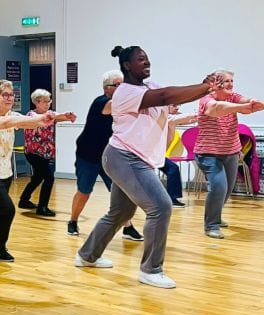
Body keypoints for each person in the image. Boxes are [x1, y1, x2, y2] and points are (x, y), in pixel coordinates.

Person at [75, 45, 224, 289]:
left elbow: (170, 96)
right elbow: (166, 97)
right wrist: (205, 86)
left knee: (120, 213)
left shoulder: (150, 86)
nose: (146, 62)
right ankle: (151, 270)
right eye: (140, 59)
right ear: (127, 66)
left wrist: (203, 87)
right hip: (125, 157)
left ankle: (86, 255)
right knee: (161, 207)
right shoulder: (124, 93)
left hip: (134, 158)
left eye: (147, 59)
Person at [0, 80, 55, 262]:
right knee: (7, 210)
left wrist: (57, 117)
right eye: (5, 95)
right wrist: (35, 119)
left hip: (5, 172)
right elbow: (8, 122)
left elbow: (26, 123)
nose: (10, 98)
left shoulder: (11, 114)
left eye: (11, 95)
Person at [67, 70, 144, 240]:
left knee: (120, 192)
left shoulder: (121, 105)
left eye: (122, 85)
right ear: (106, 88)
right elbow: (117, 106)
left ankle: (127, 227)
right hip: (87, 155)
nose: (121, 88)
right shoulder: (102, 102)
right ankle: (72, 221)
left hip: (109, 156)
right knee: (84, 192)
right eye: (117, 85)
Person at [194, 70, 264, 239]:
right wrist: (242, 107)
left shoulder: (232, 97)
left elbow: (245, 103)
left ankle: (215, 216)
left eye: (232, 81)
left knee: (225, 190)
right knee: (219, 187)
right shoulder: (207, 100)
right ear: (215, 84)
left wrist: (252, 103)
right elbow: (217, 109)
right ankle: (211, 225)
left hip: (231, 152)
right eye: (226, 81)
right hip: (208, 154)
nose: (231, 84)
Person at [18, 88, 76, 216]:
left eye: (49, 101)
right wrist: (59, 116)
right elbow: (44, 119)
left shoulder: (49, 114)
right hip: (33, 153)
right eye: (45, 101)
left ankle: (24, 200)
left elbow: (55, 116)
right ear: (37, 102)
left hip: (46, 153)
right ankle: (42, 207)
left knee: (38, 177)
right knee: (49, 178)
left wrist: (67, 116)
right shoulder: (31, 116)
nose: (48, 103)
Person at [161, 104, 198, 208]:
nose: (177, 107)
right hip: (149, 153)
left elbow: (186, 120)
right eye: (174, 105)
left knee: (173, 169)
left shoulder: (171, 118)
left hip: (157, 154)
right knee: (172, 168)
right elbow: (180, 118)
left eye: (178, 105)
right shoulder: (164, 117)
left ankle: (172, 198)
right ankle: (171, 199)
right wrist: (198, 114)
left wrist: (198, 117)